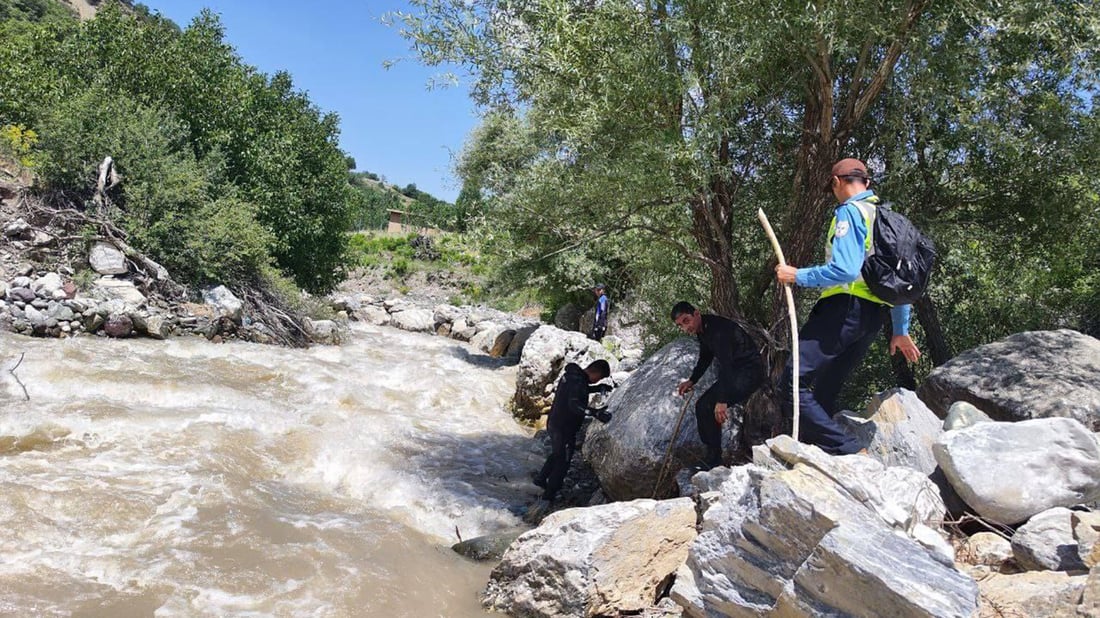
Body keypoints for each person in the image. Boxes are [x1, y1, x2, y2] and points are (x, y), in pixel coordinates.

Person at [774, 158, 921, 455]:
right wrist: (900, 329)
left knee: (791, 382)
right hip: (872, 319)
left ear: (836, 182)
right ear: (866, 182)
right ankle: (824, 450)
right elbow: (899, 282)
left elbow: (844, 270)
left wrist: (796, 275)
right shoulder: (884, 218)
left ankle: (849, 450)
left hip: (843, 309)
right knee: (826, 388)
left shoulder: (850, 212)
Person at [671, 302, 765, 469]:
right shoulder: (703, 330)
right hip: (735, 371)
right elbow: (706, 356)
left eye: (686, 321)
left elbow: (726, 365)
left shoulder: (718, 330)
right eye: (680, 325)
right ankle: (712, 455)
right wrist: (692, 380)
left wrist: (722, 400)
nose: (685, 328)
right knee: (702, 406)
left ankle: (715, 460)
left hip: (749, 371)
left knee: (707, 406)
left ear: (696, 314)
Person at [532, 359, 613, 505]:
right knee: (563, 462)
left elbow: (579, 390)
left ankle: (541, 479)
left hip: (555, 423)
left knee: (558, 453)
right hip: (564, 427)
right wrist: (595, 413)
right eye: (599, 378)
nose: (596, 381)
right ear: (596, 372)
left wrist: (598, 388)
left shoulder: (572, 376)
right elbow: (574, 405)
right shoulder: (578, 381)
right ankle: (548, 496)